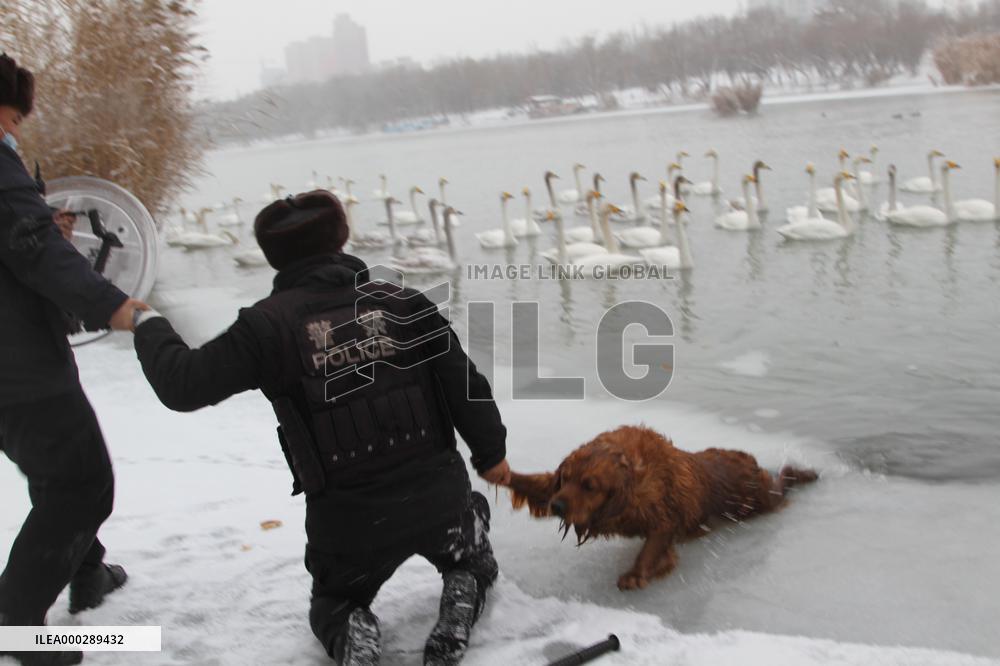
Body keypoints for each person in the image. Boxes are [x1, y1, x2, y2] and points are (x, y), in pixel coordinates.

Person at [131, 190, 510, 665]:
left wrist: (146, 322)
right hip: (440, 504)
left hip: (350, 527)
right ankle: (463, 591)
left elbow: (181, 385)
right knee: (474, 557)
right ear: (343, 236)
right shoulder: (408, 304)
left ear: (273, 256)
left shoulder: (265, 328)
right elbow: (466, 386)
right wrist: (491, 455)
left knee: (335, 603)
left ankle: (356, 639)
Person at [0, 54, 146, 666]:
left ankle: (86, 570)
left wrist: (41, 224)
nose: (16, 131)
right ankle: (17, 623)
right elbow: (33, 252)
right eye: (14, 118)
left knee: (54, 468)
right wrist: (113, 305)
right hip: (18, 364)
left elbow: (21, 239)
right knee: (84, 484)